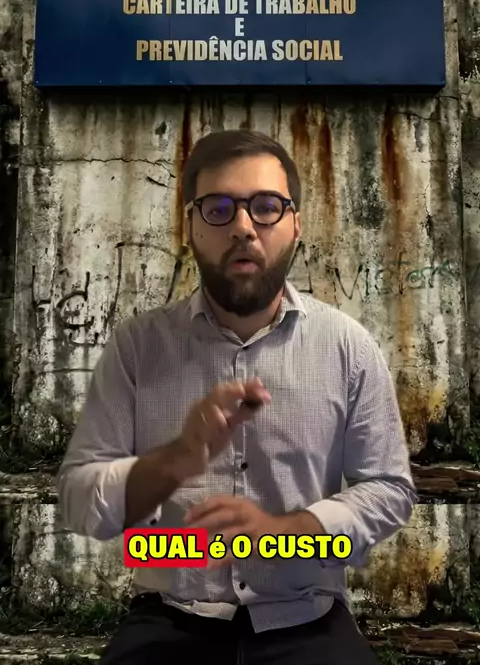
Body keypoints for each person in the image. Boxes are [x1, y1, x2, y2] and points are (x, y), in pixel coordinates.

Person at [57, 128, 417, 665]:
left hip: (307, 616)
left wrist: (288, 531)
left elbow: (388, 488)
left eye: (267, 207)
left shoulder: (348, 347)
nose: (244, 227)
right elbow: (78, 499)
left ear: (295, 224)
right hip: (171, 615)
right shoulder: (137, 347)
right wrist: (175, 460)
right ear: (191, 226)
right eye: (219, 208)